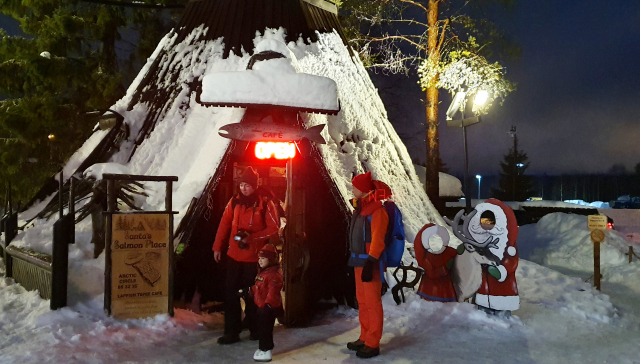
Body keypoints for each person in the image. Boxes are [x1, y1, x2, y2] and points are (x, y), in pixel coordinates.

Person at [213, 166, 280, 344]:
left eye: (248, 185)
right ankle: (231, 331)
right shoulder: (234, 202)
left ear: (254, 186)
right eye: (242, 185)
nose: (244, 188)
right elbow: (224, 224)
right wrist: (217, 247)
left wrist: (253, 238)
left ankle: (255, 328)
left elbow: (274, 228)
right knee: (231, 295)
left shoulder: (265, 203)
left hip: (254, 259)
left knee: (254, 296)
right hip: (234, 257)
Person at [346, 171, 389, 359]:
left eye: (355, 186)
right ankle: (364, 337)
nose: (352, 189)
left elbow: (378, 239)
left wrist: (371, 262)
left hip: (369, 263)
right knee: (362, 302)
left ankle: (373, 342)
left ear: (363, 190)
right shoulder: (362, 209)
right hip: (359, 262)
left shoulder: (377, 211)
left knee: (372, 303)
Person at [250, 244, 284, 362]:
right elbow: (259, 287)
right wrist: (250, 290)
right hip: (261, 307)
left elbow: (272, 292)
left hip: (267, 308)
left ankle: (266, 350)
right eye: (259, 258)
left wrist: (268, 305)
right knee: (261, 329)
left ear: (271, 260)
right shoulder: (263, 272)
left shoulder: (273, 275)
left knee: (265, 330)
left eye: (263, 258)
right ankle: (262, 348)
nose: (260, 261)